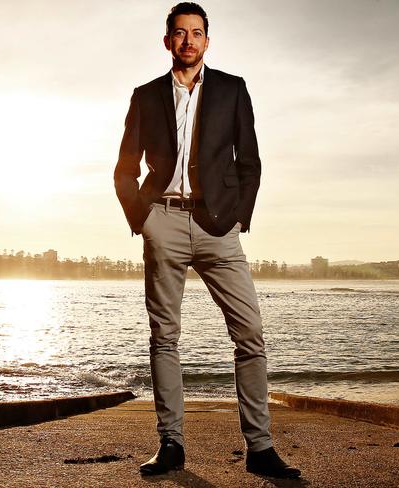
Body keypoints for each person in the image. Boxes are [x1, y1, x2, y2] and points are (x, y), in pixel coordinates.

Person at [113, 2, 300, 480]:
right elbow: (125, 167)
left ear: (207, 41)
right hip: (165, 222)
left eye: (197, 33)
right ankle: (171, 444)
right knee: (164, 337)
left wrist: (239, 218)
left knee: (250, 335)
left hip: (220, 227)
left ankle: (259, 448)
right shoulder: (145, 95)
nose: (188, 41)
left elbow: (250, 162)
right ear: (168, 41)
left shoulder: (233, 90)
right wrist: (143, 218)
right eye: (180, 33)